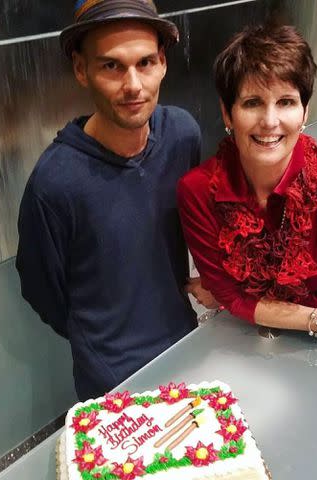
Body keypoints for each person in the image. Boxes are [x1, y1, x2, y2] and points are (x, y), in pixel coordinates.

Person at [16, 0, 200, 400]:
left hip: (186, 347)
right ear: (82, 70)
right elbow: (42, 289)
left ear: (163, 62)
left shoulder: (182, 136)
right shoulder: (55, 182)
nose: (133, 85)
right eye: (111, 66)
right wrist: (100, 341)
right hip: (111, 382)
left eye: (145, 63)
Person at [178, 24, 317, 343]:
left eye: (286, 102)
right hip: (264, 340)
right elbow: (231, 296)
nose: (270, 121)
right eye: (252, 102)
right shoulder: (197, 191)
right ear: (227, 113)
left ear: (305, 111)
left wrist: (239, 299)